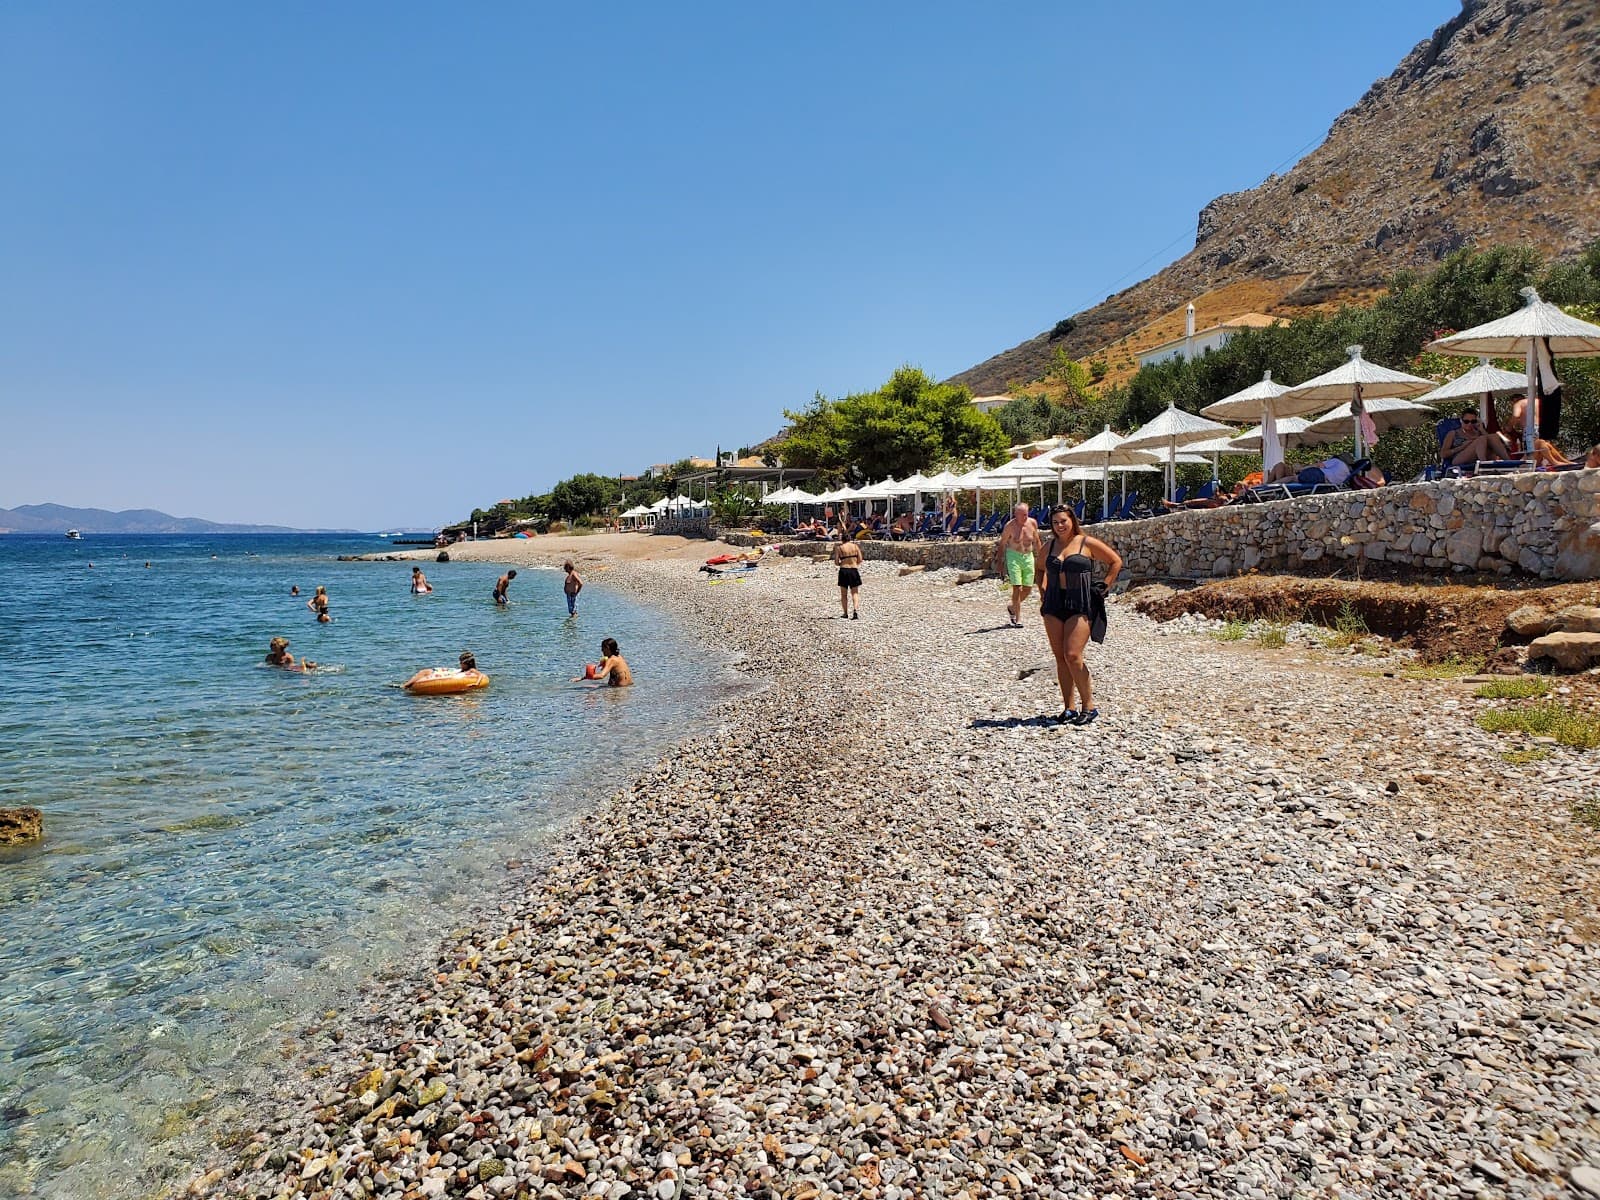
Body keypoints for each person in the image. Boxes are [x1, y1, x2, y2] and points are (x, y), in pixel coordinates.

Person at [1035, 504, 1121, 726]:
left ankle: (1089, 706)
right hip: (1054, 603)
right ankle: (1069, 708)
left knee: (1072, 655)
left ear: (1072, 520)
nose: (1060, 525)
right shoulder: (1049, 546)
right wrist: (1042, 590)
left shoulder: (1086, 543)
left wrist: (1104, 586)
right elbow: (1039, 568)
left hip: (1080, 602)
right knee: (1060, 658)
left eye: (1063, 521)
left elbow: (1115, 562)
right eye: (1055, 522)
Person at [994, 502, 1041, 628]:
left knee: (1028, 588)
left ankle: (1012, 607)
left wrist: (1042, 558)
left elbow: (1037, 541)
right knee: (1017, 587)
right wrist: (1000, 562)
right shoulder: (1010, 526)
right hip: (1013, 556)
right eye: (1022, 515)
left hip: (1028, 556)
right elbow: (1002, 544)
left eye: (1026, 514)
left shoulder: (1032, 523)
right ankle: (1018, 619)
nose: (1024, 517)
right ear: (1016, 514)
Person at [1441, 411, 1514, 467]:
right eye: (1466, 421)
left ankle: (1509, 463)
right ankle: (1484, 465)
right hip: (1459, 458)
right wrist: (1462, 447)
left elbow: (1491, 442)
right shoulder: (1453, 433)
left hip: (1477, 457)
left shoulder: (1479, 432)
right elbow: (1443, 454)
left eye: (1473, 421)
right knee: (1481, 439)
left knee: (1493, 436)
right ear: (1461, 420)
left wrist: (1481, 429)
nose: (1469, 424)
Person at [833, 530, 863, 619]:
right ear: (850, 538)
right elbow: (860, 559)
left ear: (842, 539)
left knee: (844, 594)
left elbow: (836, 562)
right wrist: (854, 563)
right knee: (855, 593)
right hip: (853, 570)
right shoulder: (855, 546)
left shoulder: (840, 548)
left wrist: (841, 563)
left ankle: (845, 613)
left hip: (844, 570)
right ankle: (855, 610)